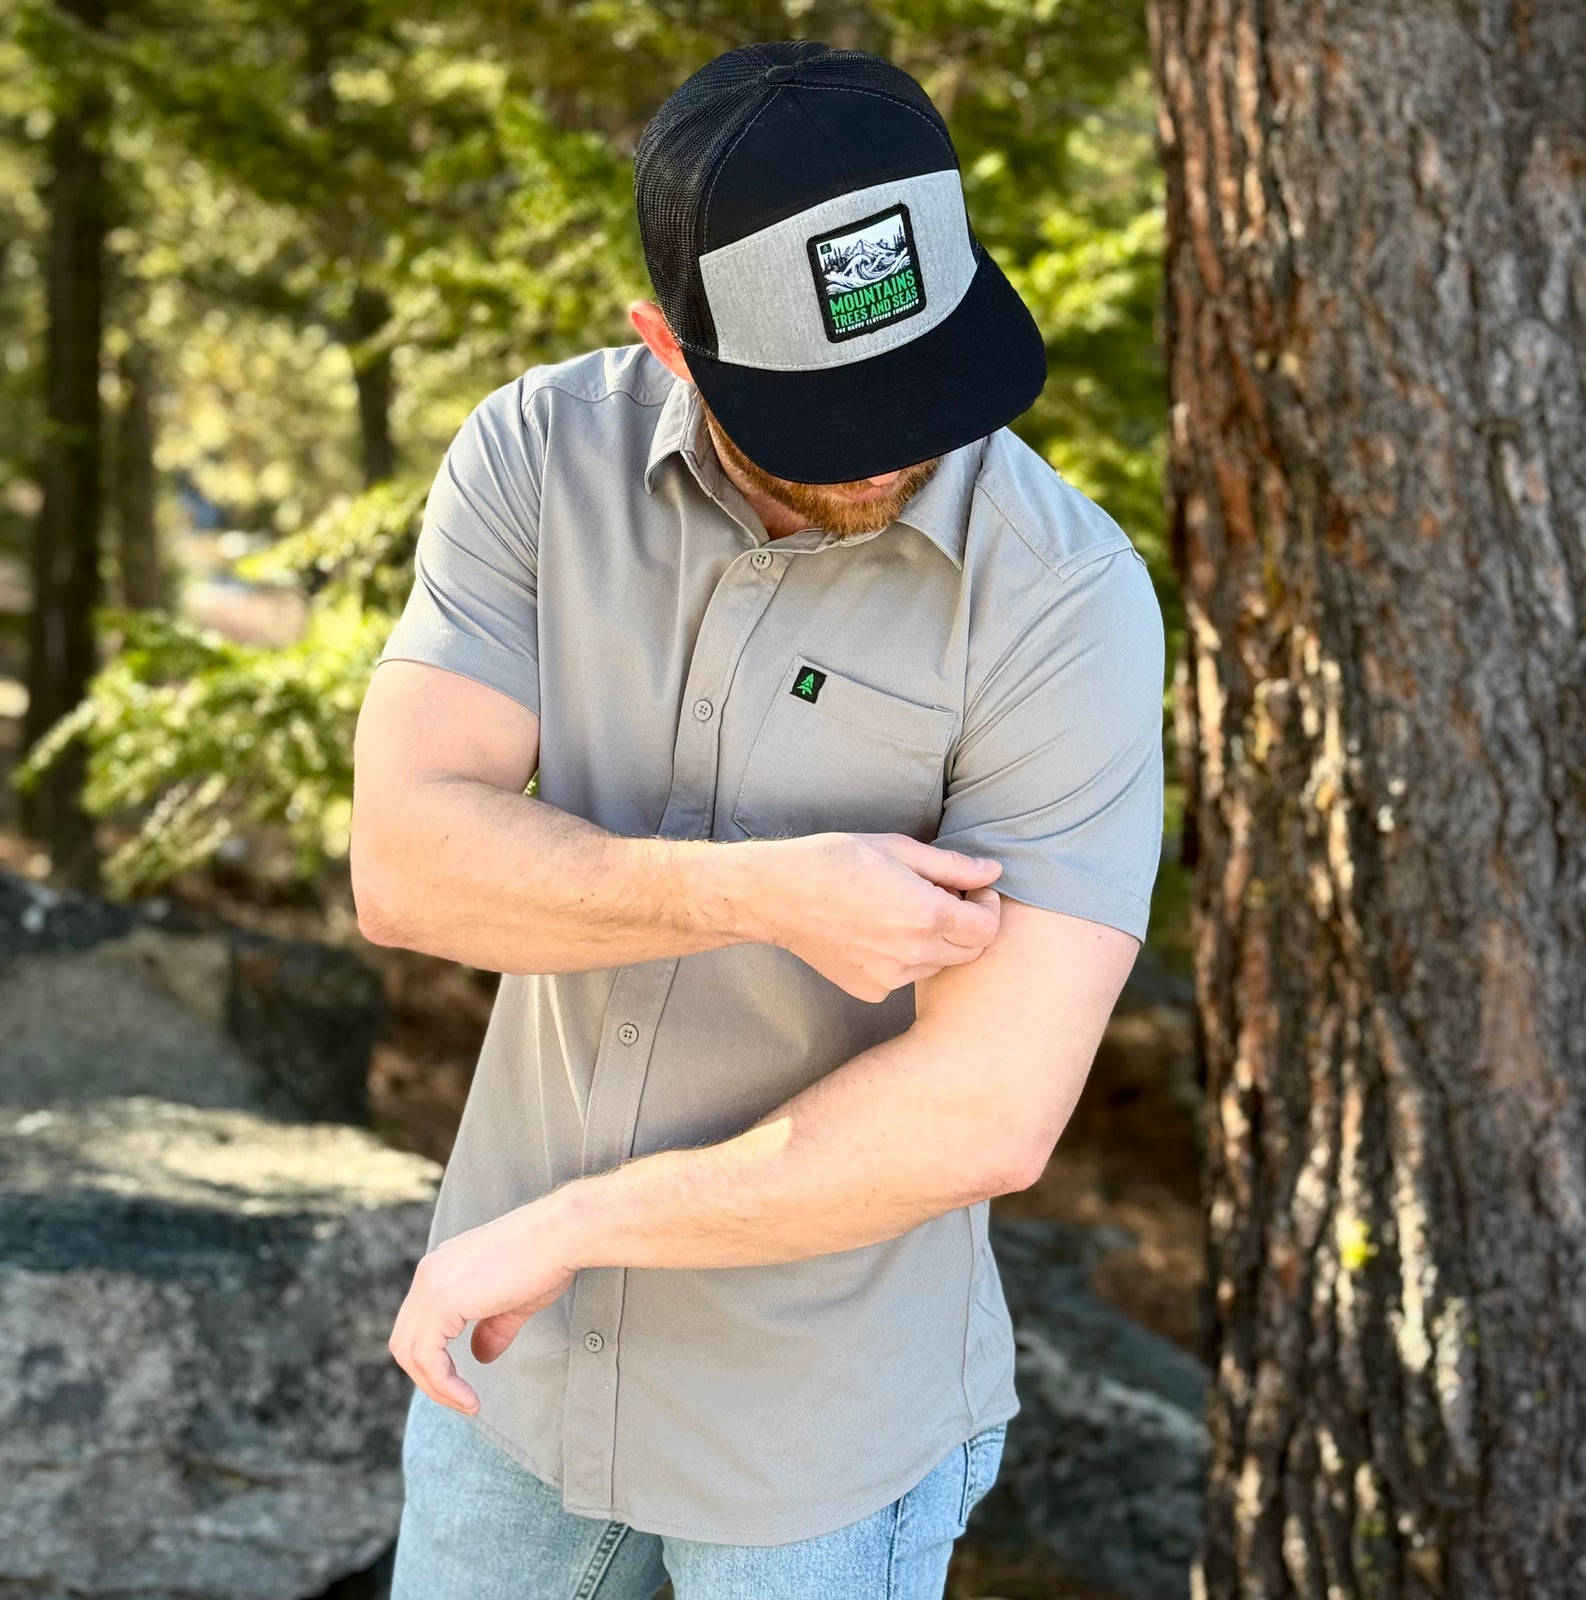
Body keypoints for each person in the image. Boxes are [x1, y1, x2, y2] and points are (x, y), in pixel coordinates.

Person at [356, 38, 1166, 1600]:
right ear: (668, 343)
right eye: (829, 410)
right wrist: (762, 892)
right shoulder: (536, 456)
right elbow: (405, 867)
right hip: (511, 1386)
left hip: (812, 1451)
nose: (898, 441)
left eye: (925, 375)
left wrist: (569, 1226)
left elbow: (990, 1115)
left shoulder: (1063, 599)